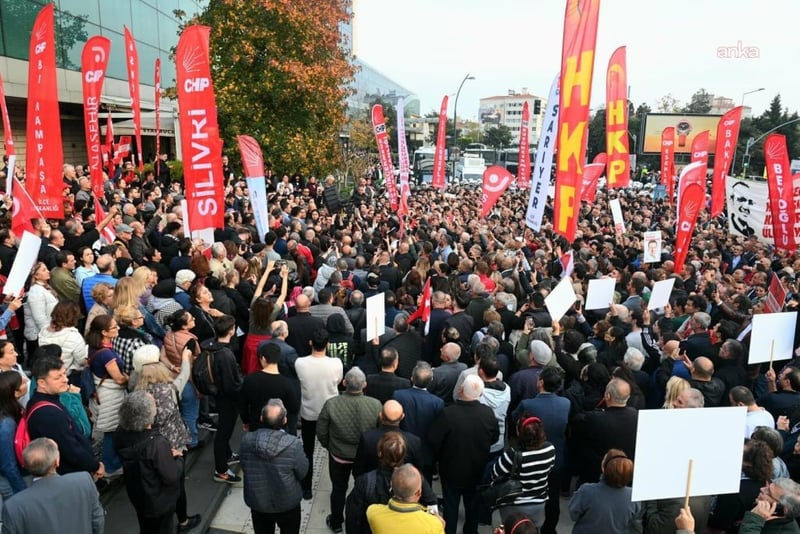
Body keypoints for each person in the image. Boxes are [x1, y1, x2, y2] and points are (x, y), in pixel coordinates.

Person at [132, 344, 201, 531]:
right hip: (174, 444)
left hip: (149, 445)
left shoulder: (136, 392)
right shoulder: (170, 389)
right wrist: (185, 358)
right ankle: (183, 521)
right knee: (177, 484)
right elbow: (183, 376)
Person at [430, 374, 499, 534]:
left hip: (451, 470)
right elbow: (494, 437)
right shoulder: (488, 413)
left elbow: (434, 440)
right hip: (477, 469)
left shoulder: (448, 414)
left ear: (461, 389)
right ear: (481, 393)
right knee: (472, 507)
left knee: (450, 507)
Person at [317, 366, 382, 533]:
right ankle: (363, 521)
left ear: (344, 383)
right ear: (364, 384)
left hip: (339, 456)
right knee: (365, 489)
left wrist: (329, 446)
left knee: (338, 488)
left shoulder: (331, 404)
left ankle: (336, 522)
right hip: (364, 456)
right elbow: (379, 431)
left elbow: (321, 431)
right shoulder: (375, 404)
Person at [114, 391, 186, 534]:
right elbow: (171, 476)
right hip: (159, 502)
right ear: (147, 415)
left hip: (137, 495)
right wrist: (178, 459)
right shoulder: (156, 444)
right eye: (154, 404)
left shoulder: (120, 432)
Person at [1, 438, 104, 534]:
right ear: (56, 462)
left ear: (26, 467)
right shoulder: (83, 481)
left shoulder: (13, 506)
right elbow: (97, 520)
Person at [240, 398, 308, 534]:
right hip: (288, 502)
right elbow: (303, 471)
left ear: (261, 418)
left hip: (258, 501)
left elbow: (244, 466)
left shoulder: (247, 441)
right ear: (284, 420)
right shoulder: (293, 444)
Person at [26, 356, 102, 477]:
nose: (65, 380)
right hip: (69, 475)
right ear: (42, 383)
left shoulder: (42, 400)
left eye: (64, 374)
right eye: (58, 377)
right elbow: (71, 449)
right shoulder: (48, 413)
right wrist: (95, 466)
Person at [294, 327, 343, 499]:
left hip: (309, 413)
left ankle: (307, 487)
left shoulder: (300, 363)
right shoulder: (336, 363)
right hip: (330, 413)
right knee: (333, 451)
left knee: (308, 450)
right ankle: (336, 488)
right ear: (327, 344)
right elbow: (338, 381)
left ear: (310, 343)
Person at [490, 416, 555, 529]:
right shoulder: (549, 449)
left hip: (513, 504)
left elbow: (494, 473)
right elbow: (549, 469)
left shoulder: (512, 454)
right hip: (538, 503)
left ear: (520, 433)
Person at [86, 314, 128, 475]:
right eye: (114, 327)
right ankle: (110, 467)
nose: (118, 328)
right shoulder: (106, 355)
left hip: (101, 393)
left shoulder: (93, 347)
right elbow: (118, 379)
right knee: (112, 433)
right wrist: (129, 378)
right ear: (104, 332)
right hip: (111, 396)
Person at [205, 314, 244, 484]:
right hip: (227, 398)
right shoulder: (226, 354)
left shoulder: (211, 346)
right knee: (223, 432)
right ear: (231, 331)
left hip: (217, 393)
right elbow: (231, 384)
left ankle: (227, 455)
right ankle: (221, 470)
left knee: (224, 429)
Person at [568, 449, 641, 533]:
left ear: (604, 468)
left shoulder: (587, 491)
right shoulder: (633, 497)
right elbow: (635, 524)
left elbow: (573, 515)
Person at [161, 309, 202, 448]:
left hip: (172, 378)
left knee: (180, 411)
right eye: (191, 319)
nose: (194, 319)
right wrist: (197, 387)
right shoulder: (190, 341)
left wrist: (173, 367)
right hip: (187, 382)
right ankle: (192, 441)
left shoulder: (168, 335)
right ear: (184, 326)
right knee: (190, 413)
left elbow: (162, 356)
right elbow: (190, 366)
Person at [366, 463, 445, 534]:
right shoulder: (433, 525)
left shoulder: (373, 512)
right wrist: (440, 524)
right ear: (418, 493)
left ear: (391, 486)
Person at [239, 342, 300, 432]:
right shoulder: (286, 383)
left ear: (263, 358)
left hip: (256, 425)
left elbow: (243, 404)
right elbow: (294, 408)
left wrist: (246, 421)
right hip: (278, 427)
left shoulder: (250, 379)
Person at [38, 301, 88, 387]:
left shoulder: (43, 330)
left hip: (46, 373)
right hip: (66, 376)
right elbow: (82, 360)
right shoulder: (74, 336)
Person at [23, 261, 59, 358]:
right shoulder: (35, 291)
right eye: (44, 270)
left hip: (47, 330)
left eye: (47, 269)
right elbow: (39, 317)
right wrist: (48, 334)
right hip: (38, 335)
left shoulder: (45, 287)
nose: (48, 271)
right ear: (36, 276)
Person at [0, 371, 26, 497]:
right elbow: (8, 465)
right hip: (10, 483)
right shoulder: (6, 424)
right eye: (22, 382)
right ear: (15, 392)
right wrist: (22, 489)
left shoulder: (12, 408)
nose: (26, 382)